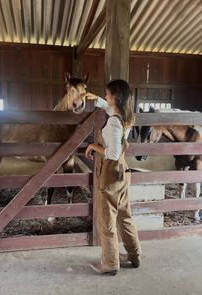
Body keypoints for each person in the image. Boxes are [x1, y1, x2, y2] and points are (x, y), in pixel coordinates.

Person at [85, 79, 141, 276]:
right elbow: (111, 112)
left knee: (106, 221)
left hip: (110, 174)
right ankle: (134, 255)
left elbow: (113, 154)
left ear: (115, 98)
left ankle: (110, 262)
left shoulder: (114, 123)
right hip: (123, 174)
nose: (106, 97)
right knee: (125, 216)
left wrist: (93, 147)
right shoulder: (124, 117)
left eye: (107, 95)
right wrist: (97, 100)